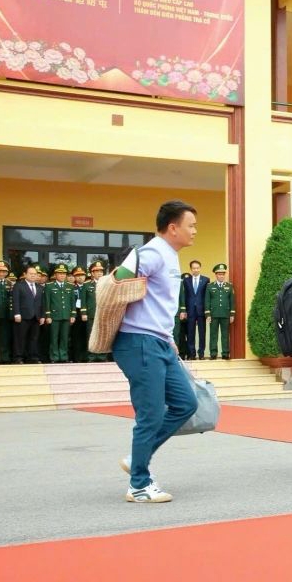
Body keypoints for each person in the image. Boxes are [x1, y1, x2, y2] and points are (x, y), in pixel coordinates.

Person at [114, 201, 201, 503]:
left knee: (185, 403)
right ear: (173, 227)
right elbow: (120, 277)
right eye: (190, 225)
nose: (194, 231)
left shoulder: (170, 255)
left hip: (160, 341)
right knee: (150, 414)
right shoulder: (153, 252)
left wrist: (167, 335)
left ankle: (139, 454)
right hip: (139, 343)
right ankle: (139, 484)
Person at [11, 265, 45, 364]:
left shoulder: (39, 287)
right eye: (31, 274)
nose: (33, 276)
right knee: (20, 337)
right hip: (22, 316)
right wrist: (16, 313)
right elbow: (15, 301)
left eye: (35, 274)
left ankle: (32, 357)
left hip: (36, 317)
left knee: (34, 338)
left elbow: (42, 303)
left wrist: (42, 316)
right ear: (25, 274)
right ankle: (18, 357)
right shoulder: (19, 285)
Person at [44, 264, 76, 363]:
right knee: (54, 337)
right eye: (60, 274)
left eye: (64, 274)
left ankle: (63, 356)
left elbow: (72, 302)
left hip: (66, 315)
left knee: (64, 337)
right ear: (55, 275)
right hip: (54, 316)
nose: (62, 276)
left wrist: (73, 315)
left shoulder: (70, 286)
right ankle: (54, 357)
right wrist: (48, 315)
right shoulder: (49, 286)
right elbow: (47, 302)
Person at [207, 263, 236, 360]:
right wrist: (208, 314)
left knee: (225, 335)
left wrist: (232, 314)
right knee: (213, 334)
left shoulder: (229, 286)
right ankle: (213, 353)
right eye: (219, 274)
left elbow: (232, 301)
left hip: (225, 314)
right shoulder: (210, 286)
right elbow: (207, 301)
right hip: (213, 314)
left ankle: (225, 353)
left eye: (223, 274)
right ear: (216, 275)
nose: (221, 276)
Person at [82, 260, 109, 362]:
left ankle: (102, 356)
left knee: (103, 335)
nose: (99, 273)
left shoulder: (107, 284)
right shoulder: (87, 285)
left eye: (101, 271)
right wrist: (84, 313)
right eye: (97, 271)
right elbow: (83, 300)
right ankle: (91, 356)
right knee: (91, 335)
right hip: (91, 314)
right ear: (92, 273)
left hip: (103, 314)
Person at [69, 267, 88, 363]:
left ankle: (85, 356)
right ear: (74, 277)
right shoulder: (71, 287)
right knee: (76, 336)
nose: (80, 278)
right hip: (75, 313)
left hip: (86, 314)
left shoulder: (88, 286)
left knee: (86, 335)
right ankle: (76, 357)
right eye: (77, 276)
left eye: (82, 275)